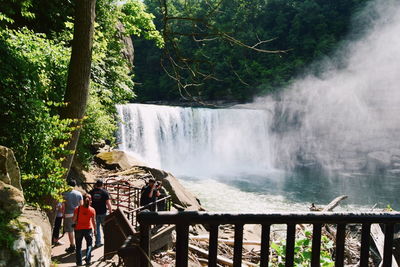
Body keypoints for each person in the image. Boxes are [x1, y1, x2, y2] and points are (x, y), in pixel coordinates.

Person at [73, 193, 96, 266]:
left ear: (82, 199)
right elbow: (93, 221)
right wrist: (95, 230)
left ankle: (79, 262)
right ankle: (88, 260)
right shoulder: (92, 210)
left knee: (78, 246)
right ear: (90, 200)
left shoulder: (77, 208)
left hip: (78, 229)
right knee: (89, 245)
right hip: (88, 229)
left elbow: (74, 219)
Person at [89, 179, 112, 248]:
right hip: (103, 212)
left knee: (96, 228)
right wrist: (110, 211)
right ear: (102, 185)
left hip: (94, 213)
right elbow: (108, 203)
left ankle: (98, 242)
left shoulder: (91, 192)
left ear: (96, 184)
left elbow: (88, 202)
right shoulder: (105, 192)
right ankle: (107, 242)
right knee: (105, 227)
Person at [63, 179, 83, 253]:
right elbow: (81, 205)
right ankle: (78, 245)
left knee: (70, 231)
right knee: (77, 230)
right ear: (75, 185)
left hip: (68, 214)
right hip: (77, 214)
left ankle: (72, 245)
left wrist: (63, 215)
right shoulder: (79, 194)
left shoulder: (64, 194)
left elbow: (63, 206)